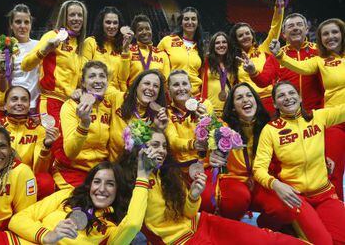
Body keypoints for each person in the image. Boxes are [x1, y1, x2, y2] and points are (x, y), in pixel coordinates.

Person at [119, 125, 305, 244]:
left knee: (265, 239)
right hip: (183, 242)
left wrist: (193, 196)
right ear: (138, 147)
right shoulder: (128, 181)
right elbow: (133, 224)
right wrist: (143, 175)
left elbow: (188, 213)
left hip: (203, 223)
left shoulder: (166, 173)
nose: (161, 150)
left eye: (163, 146)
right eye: (154, 145)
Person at [254, 81, 345, 244]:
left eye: (291, 93)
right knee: (324, 243)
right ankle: (283, 228)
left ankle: (291, 229)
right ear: (274, 103)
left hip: (324, 193)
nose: (287, 98)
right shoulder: (270, 130)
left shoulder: (318, 117)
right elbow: (259, 169)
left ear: (300, 97)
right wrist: (276, 185)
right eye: (281, 95)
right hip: (296, 197)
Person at [269, 18, 345, 201]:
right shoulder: (320, 60)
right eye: (325, 34)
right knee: (332, 172)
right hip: (337, 122)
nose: (330, 37)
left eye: (334, 32)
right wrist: (279, 54)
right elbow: (300, 67)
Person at [9, 159, 152, 244]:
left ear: (117, 189)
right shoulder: (68, 195)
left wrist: (143, 176)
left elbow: (133, 224)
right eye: (97, 182)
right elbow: (17, 220)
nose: (101, 189)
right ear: (89, 185)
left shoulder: (112, 229)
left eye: (110, 184)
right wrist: (47, 236)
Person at [209, 83, 274, 221]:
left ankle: (264, 228)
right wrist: (212, 156)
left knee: (280, 207)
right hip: (233, 179)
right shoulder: (222, 127)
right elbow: (207, 148)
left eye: (249, 95)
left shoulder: (269, 125)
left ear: (256, 101)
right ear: (232, 107)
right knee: (237, 199)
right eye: (239, 97)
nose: (245, 99)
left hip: (260, 179)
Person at [21, 0, 88, 125]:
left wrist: (80, 89)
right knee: (54, 143)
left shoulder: (82, 45)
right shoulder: (52, 35)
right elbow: (25, 65)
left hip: (71, 104)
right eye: (72, 15)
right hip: (51, 100)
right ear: (64, 17)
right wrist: (44, 50)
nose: (77, 18)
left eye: (80, 15)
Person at [242, 13, 324, 112]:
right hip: (289, 112)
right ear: (284, 34)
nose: (295, 28)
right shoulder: (276, 55)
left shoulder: (320, 51)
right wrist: (253, 71)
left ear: (306, 30)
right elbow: (263, 81)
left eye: (299, 24)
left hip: (318, 110)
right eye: (291, 26)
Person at [55, 61, 113, 188]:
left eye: (102, 76)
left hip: (100, 172)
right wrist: (84, 123)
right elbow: (70, 152)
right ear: (83, 83)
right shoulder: (71, 106)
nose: (98, 80)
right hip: (72, 171)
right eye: (92, 76)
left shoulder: (109, 105)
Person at [164, 70, 214, 212]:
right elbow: (172, 141)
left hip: (204, 166)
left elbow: (216, 134)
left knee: (208, 201)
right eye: (176, 85)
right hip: (179, 169)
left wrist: (205, 121)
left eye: (184, 83)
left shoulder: (205, 104)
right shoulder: (166, 112)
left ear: (191, 87)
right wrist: (192, 144)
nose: (181, 88)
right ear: (169, 91)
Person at [229, 0, 284, 114]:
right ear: (236, 39)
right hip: (248, 105)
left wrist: (279, 3)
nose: (245, 37)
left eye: (247, 33)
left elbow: (276, 26)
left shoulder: (264, 49)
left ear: (252, 35)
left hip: (269, 100)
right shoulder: (233, 59)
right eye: (240, 35)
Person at [109, 69, 168, 162]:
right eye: (147, 83)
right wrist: (80, 91)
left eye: (156, 86)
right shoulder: (118, 98)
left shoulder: (159, 116)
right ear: (136, 85)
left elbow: (156, 154)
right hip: (113, 168)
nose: (151, 88)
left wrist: (160, 129)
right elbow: (99, 88)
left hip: (140, 170)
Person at [158, 7, 205, 95]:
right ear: (181, 23)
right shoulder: (167, 41)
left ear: (198, 23)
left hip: (194, 95)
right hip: (173, 94)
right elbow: (156, 64)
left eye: (193, 19)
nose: (190, 22)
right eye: (186, 19)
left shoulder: (201, 47)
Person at [83, 6, 130, 91]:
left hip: (115, 94)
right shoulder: (90, 42)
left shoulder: (122, 47)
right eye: (108, 22)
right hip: (95, 92)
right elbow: (82, 72)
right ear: (101, 24)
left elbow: (123, 78)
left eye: (115, 23)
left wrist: (126, 50)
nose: (112, 26)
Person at [7, 3, 40, 113]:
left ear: (31, 25)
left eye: (26, 22)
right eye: (18, 22)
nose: (22, 26)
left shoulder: (39, 45)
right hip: (16, 107)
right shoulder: (5, 49)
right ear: (11, 25)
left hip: (37, 106)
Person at [124, 14, 170, 86]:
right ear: (135, 34)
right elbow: (122, 79)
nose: (145, 32)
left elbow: (166, 82)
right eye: (140, 29)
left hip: (155, 95)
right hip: (133, 95)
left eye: (147, 29)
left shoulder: (162, 54)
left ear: (151, 31)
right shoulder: (128, 52)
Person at [200, 32, 238, 116]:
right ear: (213, 46)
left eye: (224, 42)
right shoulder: (205, 62)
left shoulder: (232, 64)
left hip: (228, 112)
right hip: (209, 110)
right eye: (217, 43)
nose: (221, 45)